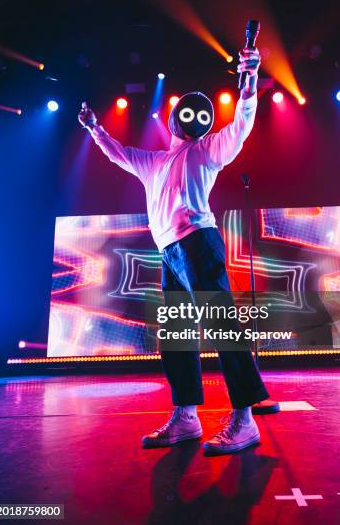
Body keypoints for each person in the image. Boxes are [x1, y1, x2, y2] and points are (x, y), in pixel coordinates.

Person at [78, 47, 272, 454]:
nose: (194, 118)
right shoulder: (154, 162)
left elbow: (240, 126)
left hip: (198, 243)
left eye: (201, 115)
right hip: (170, 252)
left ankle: (246, 418)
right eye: (187, 112)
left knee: (221, 327)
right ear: (172, 120)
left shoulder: (207, 150)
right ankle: (186, 416)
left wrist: (249, 79)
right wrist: (96, 129)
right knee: (178, 336)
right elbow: (118, 154)